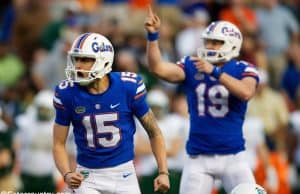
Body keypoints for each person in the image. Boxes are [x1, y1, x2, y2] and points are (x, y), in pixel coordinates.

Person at [144, 6, 259, 194]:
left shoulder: (243, 68)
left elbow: (246, 92)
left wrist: (214, 72)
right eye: (208, 42)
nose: (210, 47)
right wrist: (153, 37)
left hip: (233, 156)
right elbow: (158, 68)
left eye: (216, 43)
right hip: (199, 157)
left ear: (231, 44)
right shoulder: (193, 64)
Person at [52, 32, 170, 194]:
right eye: (76, 59)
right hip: (87, 176)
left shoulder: (128, 87)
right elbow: (58, 143)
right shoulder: (67, 93)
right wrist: (66, 173)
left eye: (85, 60)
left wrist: (163, 172)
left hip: (124, 173)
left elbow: (154, 132)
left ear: (104, 61)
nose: (78, 65)